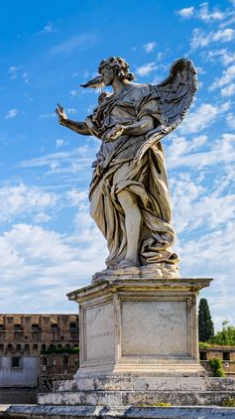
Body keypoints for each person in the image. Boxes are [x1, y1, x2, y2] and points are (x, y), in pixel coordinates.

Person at [56, 56, 196, 280]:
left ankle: (131, 259)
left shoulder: (142, 91)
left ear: (115, 70)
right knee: (98, 209)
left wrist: (124, 128)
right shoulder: (108, 100)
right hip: (107, 158)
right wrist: (66, 121)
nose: (101, 78)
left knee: (128, 199)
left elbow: (148, 124)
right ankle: (120, 254)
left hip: (132, 151)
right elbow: (92, 128)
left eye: (104, 72)